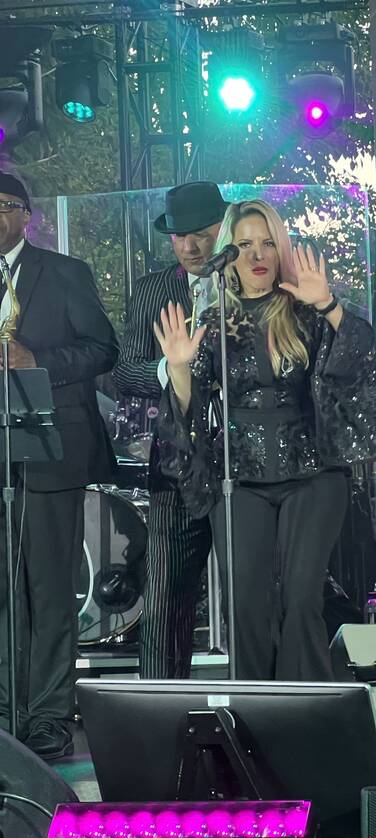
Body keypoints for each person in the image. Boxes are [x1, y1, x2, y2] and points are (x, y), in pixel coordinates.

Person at [154, 199, 376, 681]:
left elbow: (361, 359)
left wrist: (329, 304)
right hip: (238, 477)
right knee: (246, 607)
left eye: (266, 242)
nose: (257, 253)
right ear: (228, 254)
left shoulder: (306, 309)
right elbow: (188, 407)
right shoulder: (215, 320)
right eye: (244, 244)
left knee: (301, 599)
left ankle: (307, 722)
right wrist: (177, 369)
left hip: (312, 472)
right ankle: (255, 723)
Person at [0, 171, 117, 758]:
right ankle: (4, 714)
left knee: (48, 590)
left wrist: (35, 358)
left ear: (26, 214)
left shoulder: (66, 274)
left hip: (49, 450)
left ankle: (48, 712)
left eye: (3, 207)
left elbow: (104, 349)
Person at [114, 182, 226, 679]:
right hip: (175, 461)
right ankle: (159, 715)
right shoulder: (153, 289)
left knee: (257, 590)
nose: (191, 247)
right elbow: (125, 372)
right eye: (180, 237)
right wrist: (171, 368)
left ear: (224, 229)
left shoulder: (250, 280)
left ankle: (268, 709)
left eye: (202, 234)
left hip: (246, 458)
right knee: (163, 600)